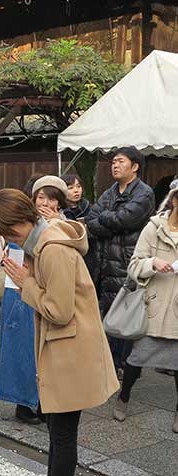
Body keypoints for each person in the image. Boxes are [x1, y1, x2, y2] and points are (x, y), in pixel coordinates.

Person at [0, 189, 119, 476]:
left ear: (18, 222)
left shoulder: (52, 248)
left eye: (6, 231)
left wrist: (24, 282)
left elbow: (59, 311)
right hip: (65, 347)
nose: (7, 238)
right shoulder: (45, 241)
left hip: (68, 350)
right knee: (59, 432)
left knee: (62, 434)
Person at [0, 176, 68, 426]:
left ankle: (43, 402)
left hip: (45, 292)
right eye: (41, 197)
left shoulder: (63, 227)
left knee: (43, 349)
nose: (45, 203)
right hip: (18, 289)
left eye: (52, 198)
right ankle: (24, 402)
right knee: (22, 348)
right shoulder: (20, 225)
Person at [85, 147, 156, 375]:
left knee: (126, 314)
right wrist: (110, 222)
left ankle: (124, 365)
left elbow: (126, 219)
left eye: (120, 161)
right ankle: (111, 363)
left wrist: (106, 221)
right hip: (106, 262)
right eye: (113, 161)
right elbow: (91, 219)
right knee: (108, 313)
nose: (115, 165)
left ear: (134, 166)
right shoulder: (111, 191)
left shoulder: (143, 193)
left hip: (127, 263)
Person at [115, 180, 178, 430]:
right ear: (174, 200)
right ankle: (123, 397)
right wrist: (153, 263)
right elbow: (133, 265)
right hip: (152, 305)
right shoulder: (154, 228)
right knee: (137, 358)